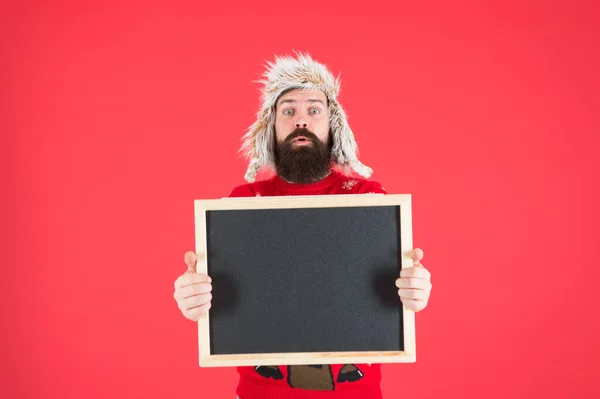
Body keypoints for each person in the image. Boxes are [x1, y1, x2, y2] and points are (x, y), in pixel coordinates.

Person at [173, 52, 433, 399]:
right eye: (288, 110)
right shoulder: (244, 202)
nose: (301, 120)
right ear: (272, 125)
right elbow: (222, 299)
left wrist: (415, 290)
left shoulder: (367, 198)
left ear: (332, 124)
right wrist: (193, 297)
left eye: (314, 109)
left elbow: (393, 291)